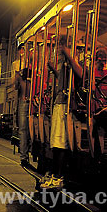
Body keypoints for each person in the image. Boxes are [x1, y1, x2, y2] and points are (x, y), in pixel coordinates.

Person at [41, 56, 69, 189]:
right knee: (56, 142)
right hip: (60, 102)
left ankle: (58, 176)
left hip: (62, 103)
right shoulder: (65, 64)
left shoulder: (69, 63)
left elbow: (65, 83)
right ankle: (54, 174)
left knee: (59, 142)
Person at [14, 47, 30, 167]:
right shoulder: (16, 65)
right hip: (26, 100)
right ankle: (24, 156)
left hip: (28, 100)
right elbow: (15, 86)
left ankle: (24, 156)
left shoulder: (33, 65)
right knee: (24, 130)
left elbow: (15, 85)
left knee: (24, 130)